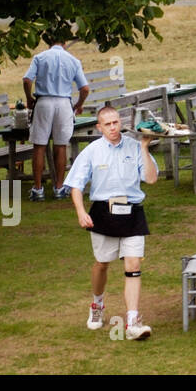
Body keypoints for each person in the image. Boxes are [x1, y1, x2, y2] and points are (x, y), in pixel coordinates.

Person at [64, 105, 157, 340]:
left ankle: (133, 321)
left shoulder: (134, 146)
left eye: (116, 122)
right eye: (108, 124)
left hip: (133, 212)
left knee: (133, 265)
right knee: (102, 264)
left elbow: (151, 178)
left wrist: (145, 147)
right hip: (103, 212)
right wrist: (80, 212)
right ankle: (97, 305)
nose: (113, 128)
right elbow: (75, 185)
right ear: (99, 127)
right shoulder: (92, 151)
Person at [22, 28, 90, 201]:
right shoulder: (73, 60)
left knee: (39, 145)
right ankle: (59, 187)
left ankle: (38, 189)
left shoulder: (40, 57)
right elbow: (85, 88)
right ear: (65, 43)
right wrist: (79, 104)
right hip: (63, 104)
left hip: (44, 101)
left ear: (49, 42)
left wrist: (29, 98)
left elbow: (27, 79)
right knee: (60, 145)